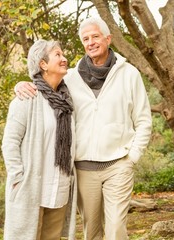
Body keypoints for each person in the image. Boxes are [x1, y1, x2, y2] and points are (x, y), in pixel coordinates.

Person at [15, 17, 152, 240]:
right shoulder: (69, 77)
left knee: (116, 228)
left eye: (95, 36)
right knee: (91, 231)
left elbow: (144, 119)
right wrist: (21, 84)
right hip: (83, 168)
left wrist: (133, 157)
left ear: (108, 38)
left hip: (119, 163)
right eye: (85, 39)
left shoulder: (129, 74)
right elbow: (44, 86)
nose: (91, 42)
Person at [2, 39, 77, 240]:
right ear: (43, 64)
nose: (64, 58)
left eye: (63, 54)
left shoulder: (67, 101)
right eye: (58, 55)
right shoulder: (26, 99)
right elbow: (10, 143)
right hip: (31, 191)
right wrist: (18, 177)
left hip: (58, 190)